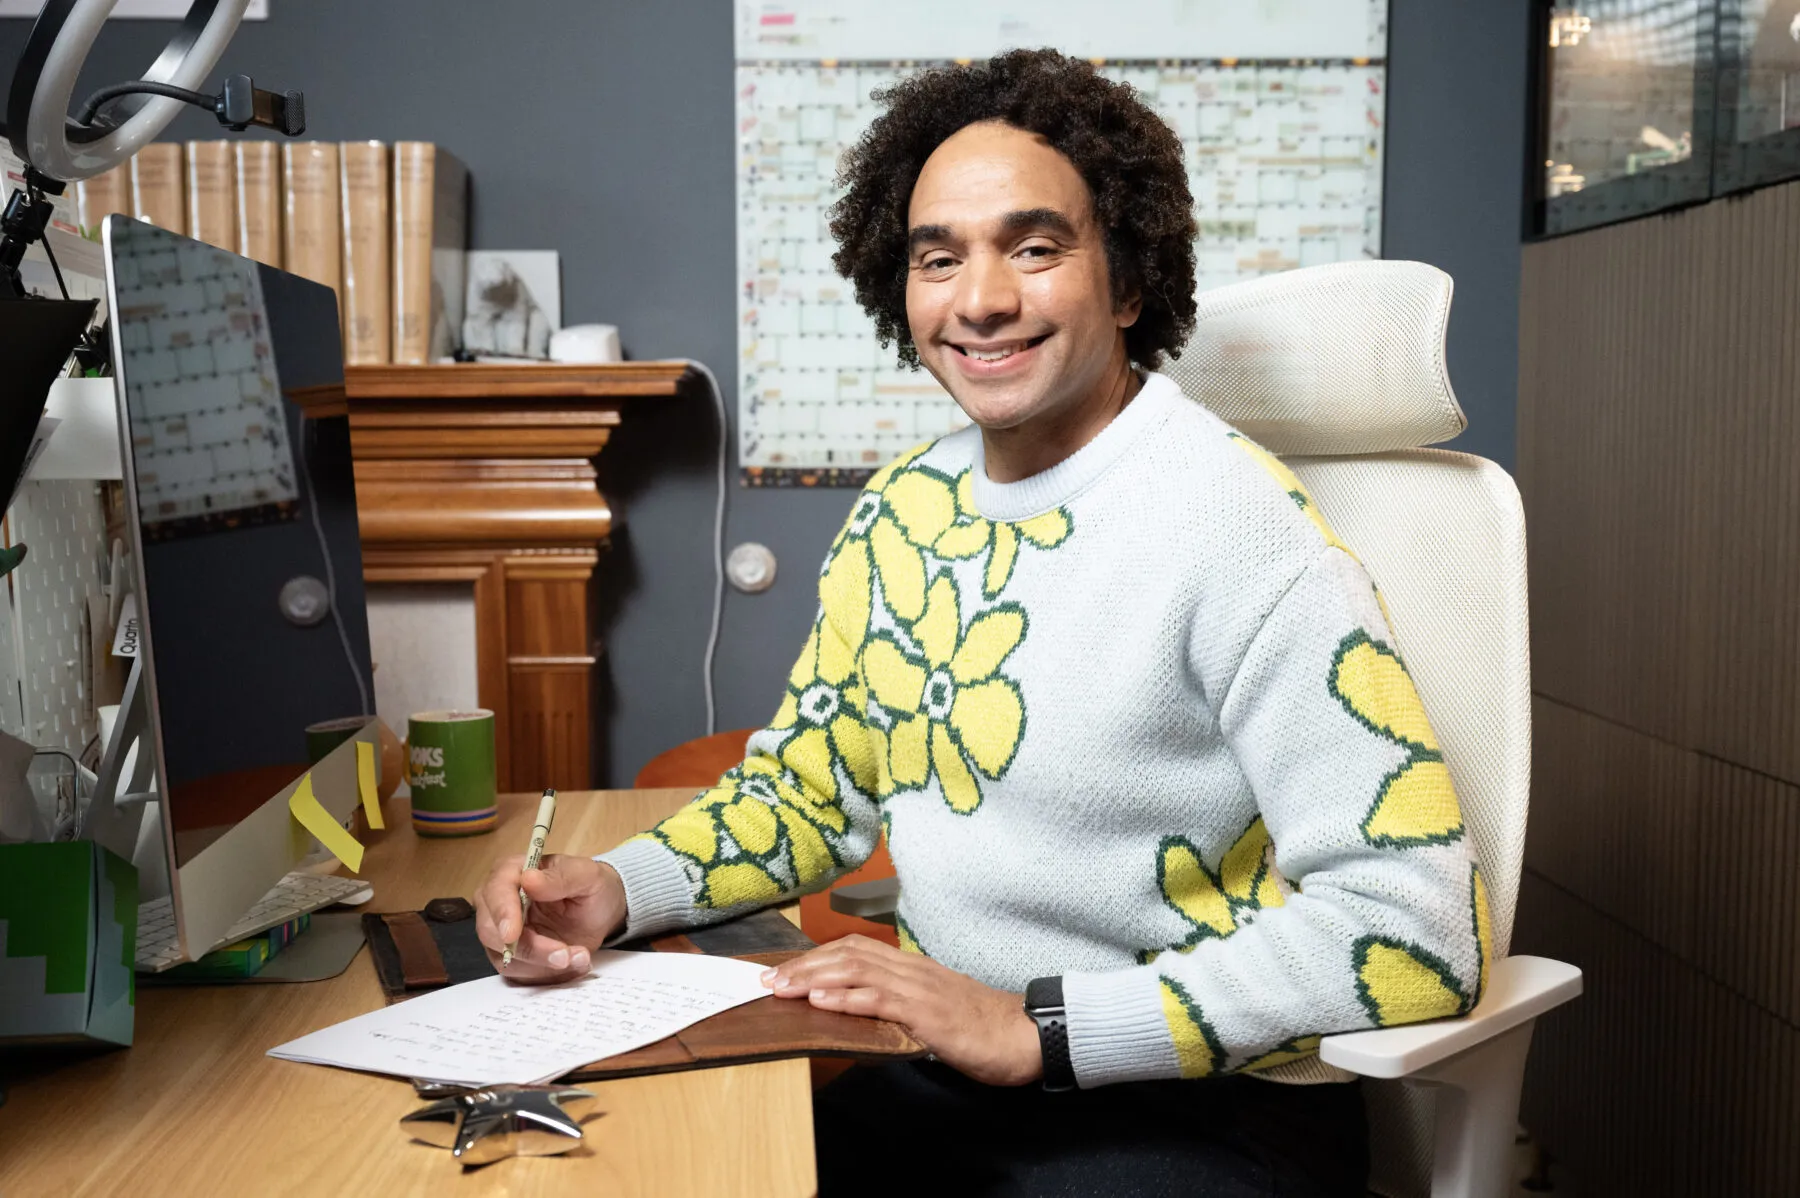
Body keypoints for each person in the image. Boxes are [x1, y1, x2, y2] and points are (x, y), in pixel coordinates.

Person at [475, 48, 1490, 1197]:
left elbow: (1413, 931)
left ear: (1127, 281)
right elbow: (809, 792)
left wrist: (1039, 1026)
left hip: (1195, 1110)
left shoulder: (1240, 529)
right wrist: (612, 891)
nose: (980, 298)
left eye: (1036, 247)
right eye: (938, 257)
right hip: (941, 1071)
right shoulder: (904, 510)